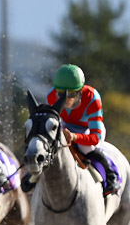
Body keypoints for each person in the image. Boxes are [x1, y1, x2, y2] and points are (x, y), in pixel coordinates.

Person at [45, 64, 119, 194]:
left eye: (71, 94)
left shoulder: (92, 98)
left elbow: (95, 138)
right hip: (65, 125)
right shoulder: (51, 96)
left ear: (80, 91)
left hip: (88, 128)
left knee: (86, 148)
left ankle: (111, 175)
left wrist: (74, 137)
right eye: (61, 94)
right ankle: (32, 176)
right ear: (56, 91)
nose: (66, 100)